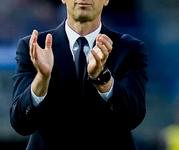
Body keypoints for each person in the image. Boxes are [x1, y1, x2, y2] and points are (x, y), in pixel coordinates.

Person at [10, 0, 148, 149]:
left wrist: (101, 77)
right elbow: (21, 124)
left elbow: (133, 117)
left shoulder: (129, 49)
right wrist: (42, 78)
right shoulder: (35, 46)